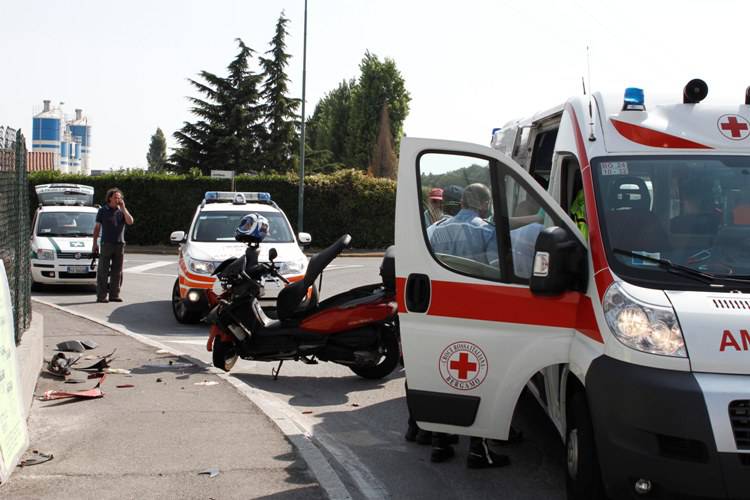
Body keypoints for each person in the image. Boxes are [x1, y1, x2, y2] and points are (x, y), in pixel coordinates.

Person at [427, 183, 498, 265]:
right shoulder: (488, 231)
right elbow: (495, 267)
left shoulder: (437, 229)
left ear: (462, 203)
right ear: (485, 204)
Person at [93, 188, 134, 303]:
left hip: (119, 244)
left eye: (119, 198)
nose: (118, 200)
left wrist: (124, 208)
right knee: (103, 271)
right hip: (106, 244)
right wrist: (94, 244)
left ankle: (114, 295)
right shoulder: (102, 211)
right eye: (116, 197)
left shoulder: (122, 211)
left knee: (117, 271)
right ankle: (101, 296)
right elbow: (97, 228)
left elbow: (130, 221)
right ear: (110, 198)